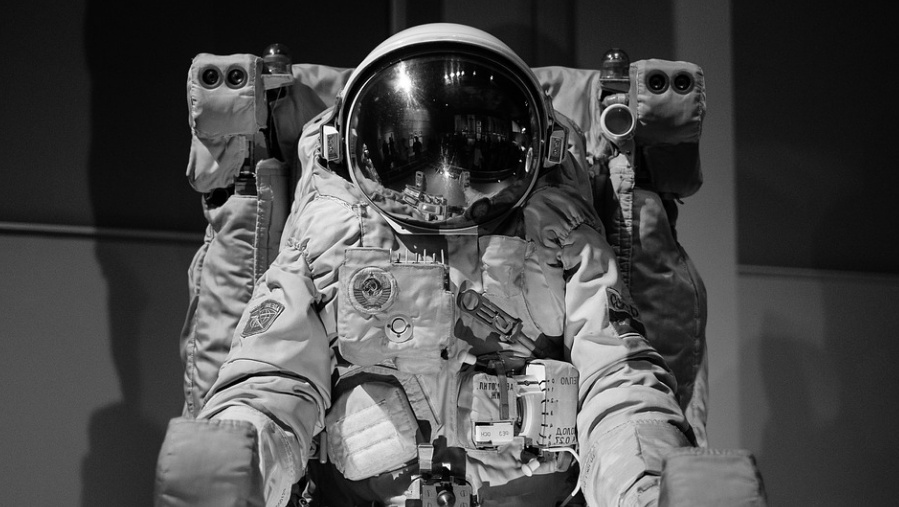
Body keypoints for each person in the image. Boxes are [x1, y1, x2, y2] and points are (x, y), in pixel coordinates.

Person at [155, 23, 698, 507]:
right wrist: (240, 474)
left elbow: (618, 382)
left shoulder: (562, 239)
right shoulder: (330, 237)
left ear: (542, 148)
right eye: (416, 150)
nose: (446, 183)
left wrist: (645, 488)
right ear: (351, 147)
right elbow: (272, 383)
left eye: (475, 152)